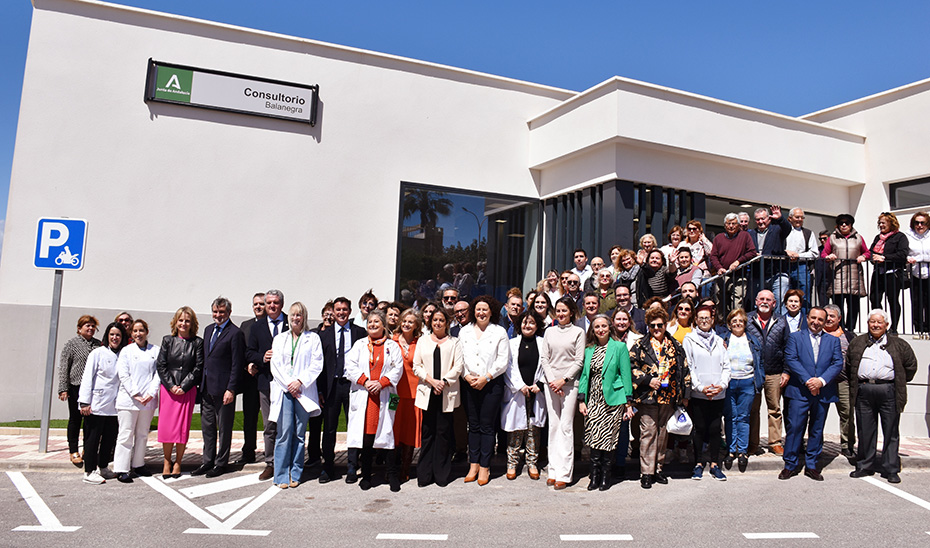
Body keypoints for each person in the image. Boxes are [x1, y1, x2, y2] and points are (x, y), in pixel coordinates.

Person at [847, 310, 918, 483]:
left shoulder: (899, 344)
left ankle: (891, 468)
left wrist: (896, 381)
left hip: (889, 391)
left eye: (879, 322)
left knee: (891, 431)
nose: (876, 325)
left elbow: (911, 366)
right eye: (872, 322)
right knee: (865, 430)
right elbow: (849, 365)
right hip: (864, 390)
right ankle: (865, 465)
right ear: (868, 323)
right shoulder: (857, 342)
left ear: (886, 325)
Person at [629, 307, 690, 489]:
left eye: (660, 325)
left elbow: (684, 369)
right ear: (648, 326)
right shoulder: (640, 345)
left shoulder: (676, 345)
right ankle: (646, 472)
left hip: (669, 396)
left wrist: (685, 394)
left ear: (665, 325)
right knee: (648, 432)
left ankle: (658, 468)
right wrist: (648, 380)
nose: (656, 328)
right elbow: (631, 366)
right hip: (647, 396)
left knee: (663, 433)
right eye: (653, 325)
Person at [779, 307, 843, 481]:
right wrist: (809, 380)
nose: (816, 322)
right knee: (795, 428)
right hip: (800, 391)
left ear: (825, 322)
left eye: (820, 319)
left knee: (817, 429)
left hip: (823, 392)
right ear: (807, 318)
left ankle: (812, 465)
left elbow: (837, 363)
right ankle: (790, 465)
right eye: (813, 318)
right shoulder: (795, 337)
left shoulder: (833, 341)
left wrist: (820, 381)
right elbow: (791, 359)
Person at [345, 309, 405, 491]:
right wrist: (365, 381)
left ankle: (392, 474)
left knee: (387, 436)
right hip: (365, 396)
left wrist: (381, 383)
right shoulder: (360, 345)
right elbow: (350, 366)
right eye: (370, 322)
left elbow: (398, 368)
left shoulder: (392, 346)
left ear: (383, 325)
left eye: (376, 322)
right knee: (367, 438)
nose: (372, 325)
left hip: (385, 395)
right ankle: (366, 475)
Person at [269, 302, 323, 489]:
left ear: (304, 317)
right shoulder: (279, 339)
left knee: (300, 434)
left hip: (303, 391)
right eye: (292, 315)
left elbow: (317, 364)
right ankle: (281, 474)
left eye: (299, 315)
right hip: (285, 391)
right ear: (288, 317)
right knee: (284, 433)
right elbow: (275, 365)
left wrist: (299, 381)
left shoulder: (313, 338)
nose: (295, 318)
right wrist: (289, 384)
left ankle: (296, 472)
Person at [578, 314, 634, 491]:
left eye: (604, 326)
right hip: (593, 399)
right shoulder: (589, 349)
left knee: (609, 438)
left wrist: (628, 402)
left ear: (609, 327)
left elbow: (626, 375)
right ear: (593, 330)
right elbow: (585, 375)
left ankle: (605, 476)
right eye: (597, 327)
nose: (601, 330)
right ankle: (594, 476)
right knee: (595, 437)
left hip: (613, 399)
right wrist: (581, 399)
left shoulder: (619, 347)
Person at [315, 296, 367, 484]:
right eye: (338, 310)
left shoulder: (360, 332)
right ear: (333, 312)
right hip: (331, 387)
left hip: (352, 385)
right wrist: (320, 390)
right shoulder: (324, 335)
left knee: (354, 427)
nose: (341, 313)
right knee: (329, 429)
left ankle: (352, 466)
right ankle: (327, 467)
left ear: (350, 311)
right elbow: (319, 366)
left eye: (345, 309)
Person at [458, 295, 510, 486]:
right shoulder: (464, 332)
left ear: (491, 312)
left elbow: (503, 360)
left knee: (487, 426)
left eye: (485, 309)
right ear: (473, 311)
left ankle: (485, 466)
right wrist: (465, 375)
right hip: (469, 383)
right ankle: (473, 464)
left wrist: (486, 377)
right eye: (478, 309)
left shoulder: (499, 332)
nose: (481, 313)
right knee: (473, 425)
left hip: (491, 384)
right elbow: (459, 357)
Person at [193, 297, 245, 479]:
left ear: (229, 313)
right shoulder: (208, 330)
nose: (218, 315)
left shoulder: (235, 333)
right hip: (207, 388)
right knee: (207, 427)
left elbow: (237, 365)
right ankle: (207, 461)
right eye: (215, 311)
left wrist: (231, 389)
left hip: (224, 390)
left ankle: (221, 462)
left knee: (224, 428)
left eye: (221, 312)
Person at [413, 307, 464, 487]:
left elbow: (458, 367)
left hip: (446, 392)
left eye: (441, 320)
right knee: (427, 433)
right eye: (435, 320)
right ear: (430, 322)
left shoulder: (454, 342)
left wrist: (442, 382)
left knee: (443, 434)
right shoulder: (423, 341)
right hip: (428, 391)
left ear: (447, 323)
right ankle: (425, 474)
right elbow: (416, 365)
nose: (438, 323)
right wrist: (431, 381)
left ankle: (441, 473)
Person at [541, 296, 586, 490]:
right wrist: (553, 381)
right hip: (550, 384)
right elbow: (544, 358)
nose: (560, 314)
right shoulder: (549, 332)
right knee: (553, 426)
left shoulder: (578, 332)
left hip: (569, 384)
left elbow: (579, 360)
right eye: (558, 310)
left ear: (572, 312)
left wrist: (563, 380)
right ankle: (553, 469)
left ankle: (565, 473)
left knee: (566, 427)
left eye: (564, 311)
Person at [682, 306, 729, 481]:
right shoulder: (689, 339)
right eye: (700, 318)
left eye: (707, 318)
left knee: (716, 429)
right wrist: (701, 388)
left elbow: (726, 366)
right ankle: (699, 464)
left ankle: (715, 464)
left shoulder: (719, 340)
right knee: (700, 429)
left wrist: (721, 385)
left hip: (718, 393)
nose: (704, 321)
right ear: (696, 320)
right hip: (699, 393)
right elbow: (689, 366)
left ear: (712, 319)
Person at [155, 307, 203, 478]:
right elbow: (161, 365)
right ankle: (167, 461)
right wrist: (171, 386)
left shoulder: (197, 342)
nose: (183, 323)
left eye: (187, 320)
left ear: (192, 323)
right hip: (169, 391)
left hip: (187, 390)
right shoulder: (168, 340)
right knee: (167, 428)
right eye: (181, 320)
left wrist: (184, 386)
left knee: (182, 429)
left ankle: (178, 462)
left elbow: (198, 367)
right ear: (175, 322)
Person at [246, 290, 287, 481]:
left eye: (275, 302)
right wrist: (261, 358)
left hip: (288, 383)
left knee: (287, 425)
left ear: (282, 304)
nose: (272, 306)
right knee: (269, 425)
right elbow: (249, 352)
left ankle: (287, 462)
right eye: (269, 302)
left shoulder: (291, 322)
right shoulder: (257, 327)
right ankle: (271, 463)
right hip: (266, 381)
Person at [78, 323, 127, 484]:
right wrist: (84, 402)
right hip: (96, 404)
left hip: (115, 405)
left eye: (118, 335)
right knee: (92, 439)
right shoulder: (97, 353)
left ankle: (103, 466)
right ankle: (89, 471)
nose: (115, 338)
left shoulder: (123, 354)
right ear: (107, 336)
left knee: (109, 438)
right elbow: (87, 377)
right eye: (112, 334)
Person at [113, 319, 160, 483]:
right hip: (128, 400)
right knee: (125, 434)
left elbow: (158, 374)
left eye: (141, 330)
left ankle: (139, 464)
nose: (138, 334)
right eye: (135, 331)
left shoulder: (155, 350)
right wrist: (135, 393)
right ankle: (121, 468)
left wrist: (150, 393)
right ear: (131, 334)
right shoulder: (126, 351)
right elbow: (123, 375)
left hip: (148, 401)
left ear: (147, 332)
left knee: (142, 434)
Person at [502, 310, 547, 481]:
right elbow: (507, 367)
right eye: (524, 323)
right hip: (517, 393)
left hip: (536, 392)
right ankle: (512, 463)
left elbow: (547, 365)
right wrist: (519, 385)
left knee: (533, 430)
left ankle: (532, 463)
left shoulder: (543, 343)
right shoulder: (512, 343)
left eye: (532, 323)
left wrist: (539, 384)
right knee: (515, 430)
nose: (527, 326)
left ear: (537, 326)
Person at [745, 290, 789, 456]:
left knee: (774, 408)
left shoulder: (781, 321)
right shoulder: (747, 319)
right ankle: (752, 444)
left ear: (774, 303)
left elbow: (787, 348)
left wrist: (786, 371)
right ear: (756, 301)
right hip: (753, 372)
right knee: (752, 409)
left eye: (768, 300)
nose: (764, 302)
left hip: (775, 371)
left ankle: (775, 443)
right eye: (761, 299)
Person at [721, 309, 764, 473]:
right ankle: (731, 450)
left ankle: (742, 451)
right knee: (730, 416)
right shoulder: (724, 339)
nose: (737, 324)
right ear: (729, 324)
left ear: (745, 323)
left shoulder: (753, 340)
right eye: (734, 321)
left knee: (744, 417)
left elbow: (760, 362)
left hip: (747, 382)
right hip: (729, 383)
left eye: (740, 321)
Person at [57, 315, 101, 466]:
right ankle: (73, 450)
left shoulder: (98, 345)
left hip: (93, 389)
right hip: (76, 386)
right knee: (75, 419)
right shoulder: (72, 344)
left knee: (90, 421)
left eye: (92, 326)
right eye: (87, 326)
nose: (90, 328)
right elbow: (64, 366)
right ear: (79, 328)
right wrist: (63, 388)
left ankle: (87, 450)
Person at [822, 213, 870, 332]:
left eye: (846, 223)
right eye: (841, 223)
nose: (844, 225)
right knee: (838, 305)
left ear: (851, 225)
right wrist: (829, 256)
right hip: (837, 276)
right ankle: (840, 329)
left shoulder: (858, 237)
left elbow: (868, 252)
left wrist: (863, 256)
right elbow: (824, 254)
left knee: (854, 305)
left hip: (854, 276)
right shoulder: (832, 238)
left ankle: (851, 329)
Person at [392, 309, 421, 483]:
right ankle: (392, 468)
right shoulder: (392, 341)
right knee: (393, 429)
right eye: (404, 321)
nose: (406, 324)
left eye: (410, 322)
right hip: (394, 394)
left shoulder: (420, 343)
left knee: (410, 432)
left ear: (416, 325)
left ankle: (405, 468)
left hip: (414, 394)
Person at [709, 213, 758, 316]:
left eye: (734, 223)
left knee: (737, 303)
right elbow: (713, 256)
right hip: (722, 275)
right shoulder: (719, 238)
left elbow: (752, 252)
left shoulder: (745, 236)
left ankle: (736, 325)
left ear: (738, 225)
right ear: (725, 225)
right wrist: (719, 268)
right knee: (720, 303)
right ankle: (722, 326)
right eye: (728, 223)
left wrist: (738, 261)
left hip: (739, 275)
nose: (731, 226)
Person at [868, 212, 909, 334]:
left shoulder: (900, 237)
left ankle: (894, 328)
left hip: (892, 273)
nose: (881, 225)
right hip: (878, 272)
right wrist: (873, 258)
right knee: (874, 299)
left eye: (883, 223)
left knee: (892, 300)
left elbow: (902, 254)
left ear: (891, 223)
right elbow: (870, 252)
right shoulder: (878, 238)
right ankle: (878, 323)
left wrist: (884, 257)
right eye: (879, 223)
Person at [237, 292, 265, 465]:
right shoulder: (245, 326)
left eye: (261, 304)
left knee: (271, 418)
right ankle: (248, 451)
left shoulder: (272, 325)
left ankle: (272, 450)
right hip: (249, 379)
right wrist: (248, 364)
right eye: (255, 304)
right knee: (249, 417)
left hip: (267, 376)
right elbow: (240, 350)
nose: (258, 307)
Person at [748, 206, 789, 307]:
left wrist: (780, 218)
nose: (761, 221)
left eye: (763, 218)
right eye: (758, 219)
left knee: (779, 302)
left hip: (776, 273)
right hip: (758, 275)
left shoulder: (777, 230)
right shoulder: (751, 234)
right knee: (758, 303)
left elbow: (787, 228)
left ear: (769, 218)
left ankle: (780, 322)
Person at [782, 207, 821, 313]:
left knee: (804, 296)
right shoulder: (783, 232)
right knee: (784, 295)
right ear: (790, 218)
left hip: (802, 267)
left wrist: (798, 255)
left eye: (801, 217)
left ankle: (804, 319)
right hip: (784, 267)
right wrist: (786, 253)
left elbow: (814, 253)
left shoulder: (808, 233)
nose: (799, 219)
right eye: (797, 217)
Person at [906, 211, 930, 338]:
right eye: (917, 223)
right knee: (916, 302)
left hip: (929, 273)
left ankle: (929, 329)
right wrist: (909, 258)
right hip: (915, 273)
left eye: (923, 223)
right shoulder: (908, 236)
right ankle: (919, 330)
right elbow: (904, 253)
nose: (920, 225)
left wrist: (920, 258)